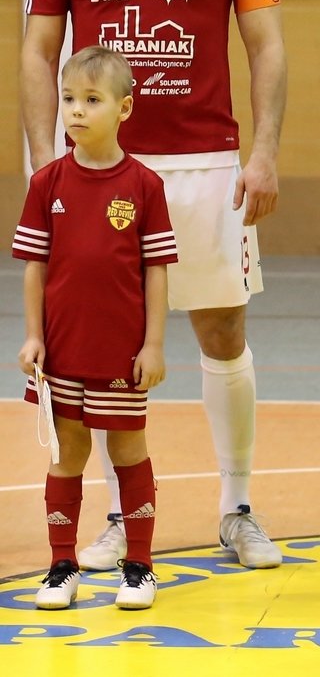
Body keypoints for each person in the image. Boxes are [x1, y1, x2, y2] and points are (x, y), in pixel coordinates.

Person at [20, 0, 287, 572]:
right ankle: (117, 516)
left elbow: (266, 45)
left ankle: (237, 508)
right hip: (100, 176)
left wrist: (263, 152)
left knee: (223, 330)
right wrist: (44, 163)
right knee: (101, 353)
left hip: (206, 167)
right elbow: (38, 51)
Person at [15, 47, 178, 611]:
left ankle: (141, 567)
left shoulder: (145, 186)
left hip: (121, 354)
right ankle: (62, 566)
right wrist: (33, 335)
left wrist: (153, 343)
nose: (76, 111)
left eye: (91, 99)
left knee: (129, 450)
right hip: (63, 351)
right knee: (67, 453)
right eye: (68, 99)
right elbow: (35, 266)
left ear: (124, 108)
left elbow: (156, 271)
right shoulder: (47, 183)